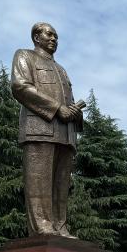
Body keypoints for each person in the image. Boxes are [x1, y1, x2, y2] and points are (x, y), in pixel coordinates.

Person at [10, 22, 82, 237]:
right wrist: (58, 108)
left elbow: (69, 101)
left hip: (65, 133)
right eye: (49, 34)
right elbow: (20, 86)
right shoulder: (25, 56)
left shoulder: (61, 70)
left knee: (61, 184)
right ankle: (42, 226)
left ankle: (60, 226)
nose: (53, 39)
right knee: (39, 181)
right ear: (36, 37)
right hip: (39, 128)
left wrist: (74, 112)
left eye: (56, 36)